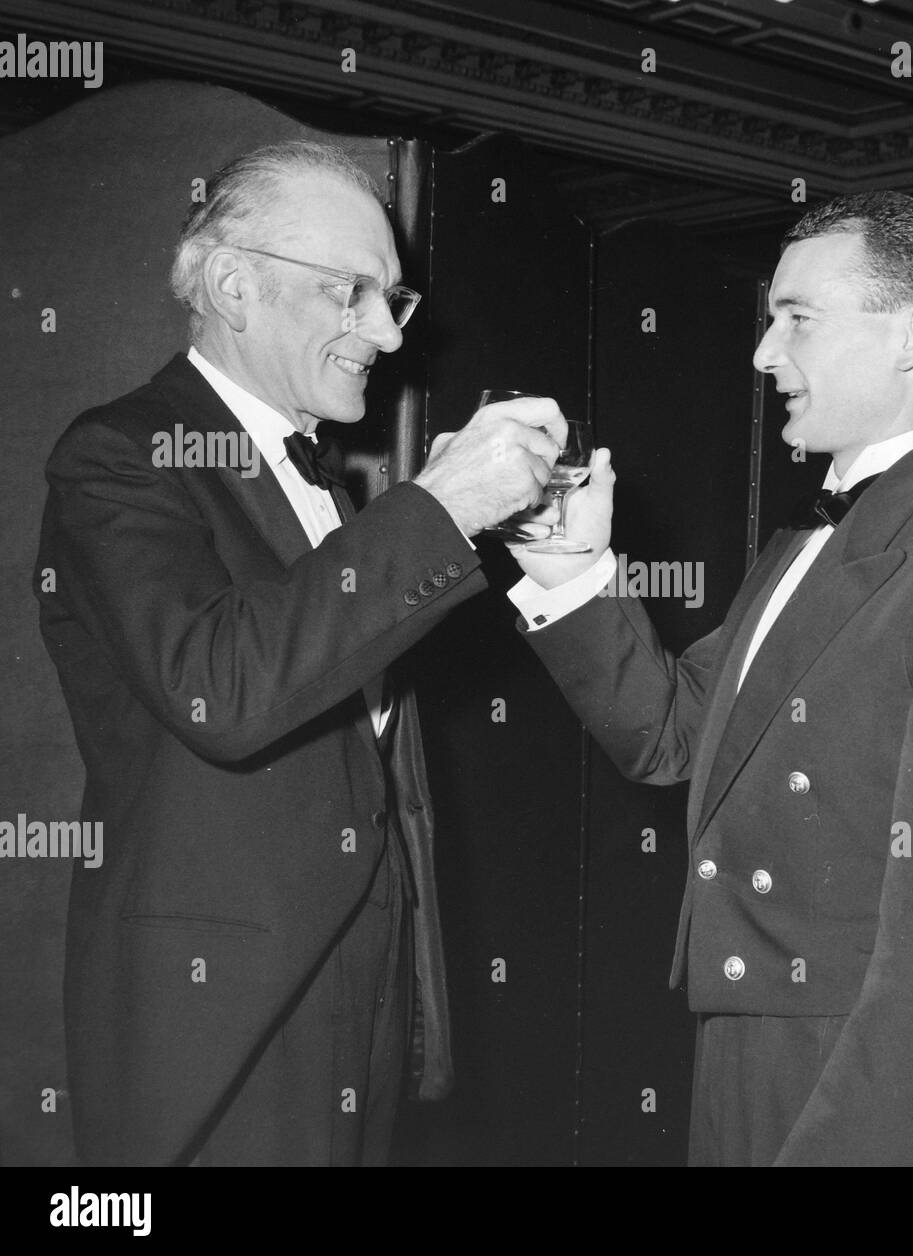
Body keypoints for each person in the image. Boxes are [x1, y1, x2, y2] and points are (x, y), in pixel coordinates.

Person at [507, 191, 913, 1166]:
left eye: (797, 319)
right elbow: (671, 734)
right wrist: (572, 569)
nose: (762, 354)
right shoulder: (822, 540)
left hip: (861, 1086)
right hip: (748, 1042)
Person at [33, 140, 565, 1166]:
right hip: (219, 1017)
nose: (383, 332)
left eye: (391, 299)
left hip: (360, 994)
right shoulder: (120, 454)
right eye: (353, 293)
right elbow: (219, 689)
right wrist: (436, 509)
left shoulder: (325, 482)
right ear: (232, 284)